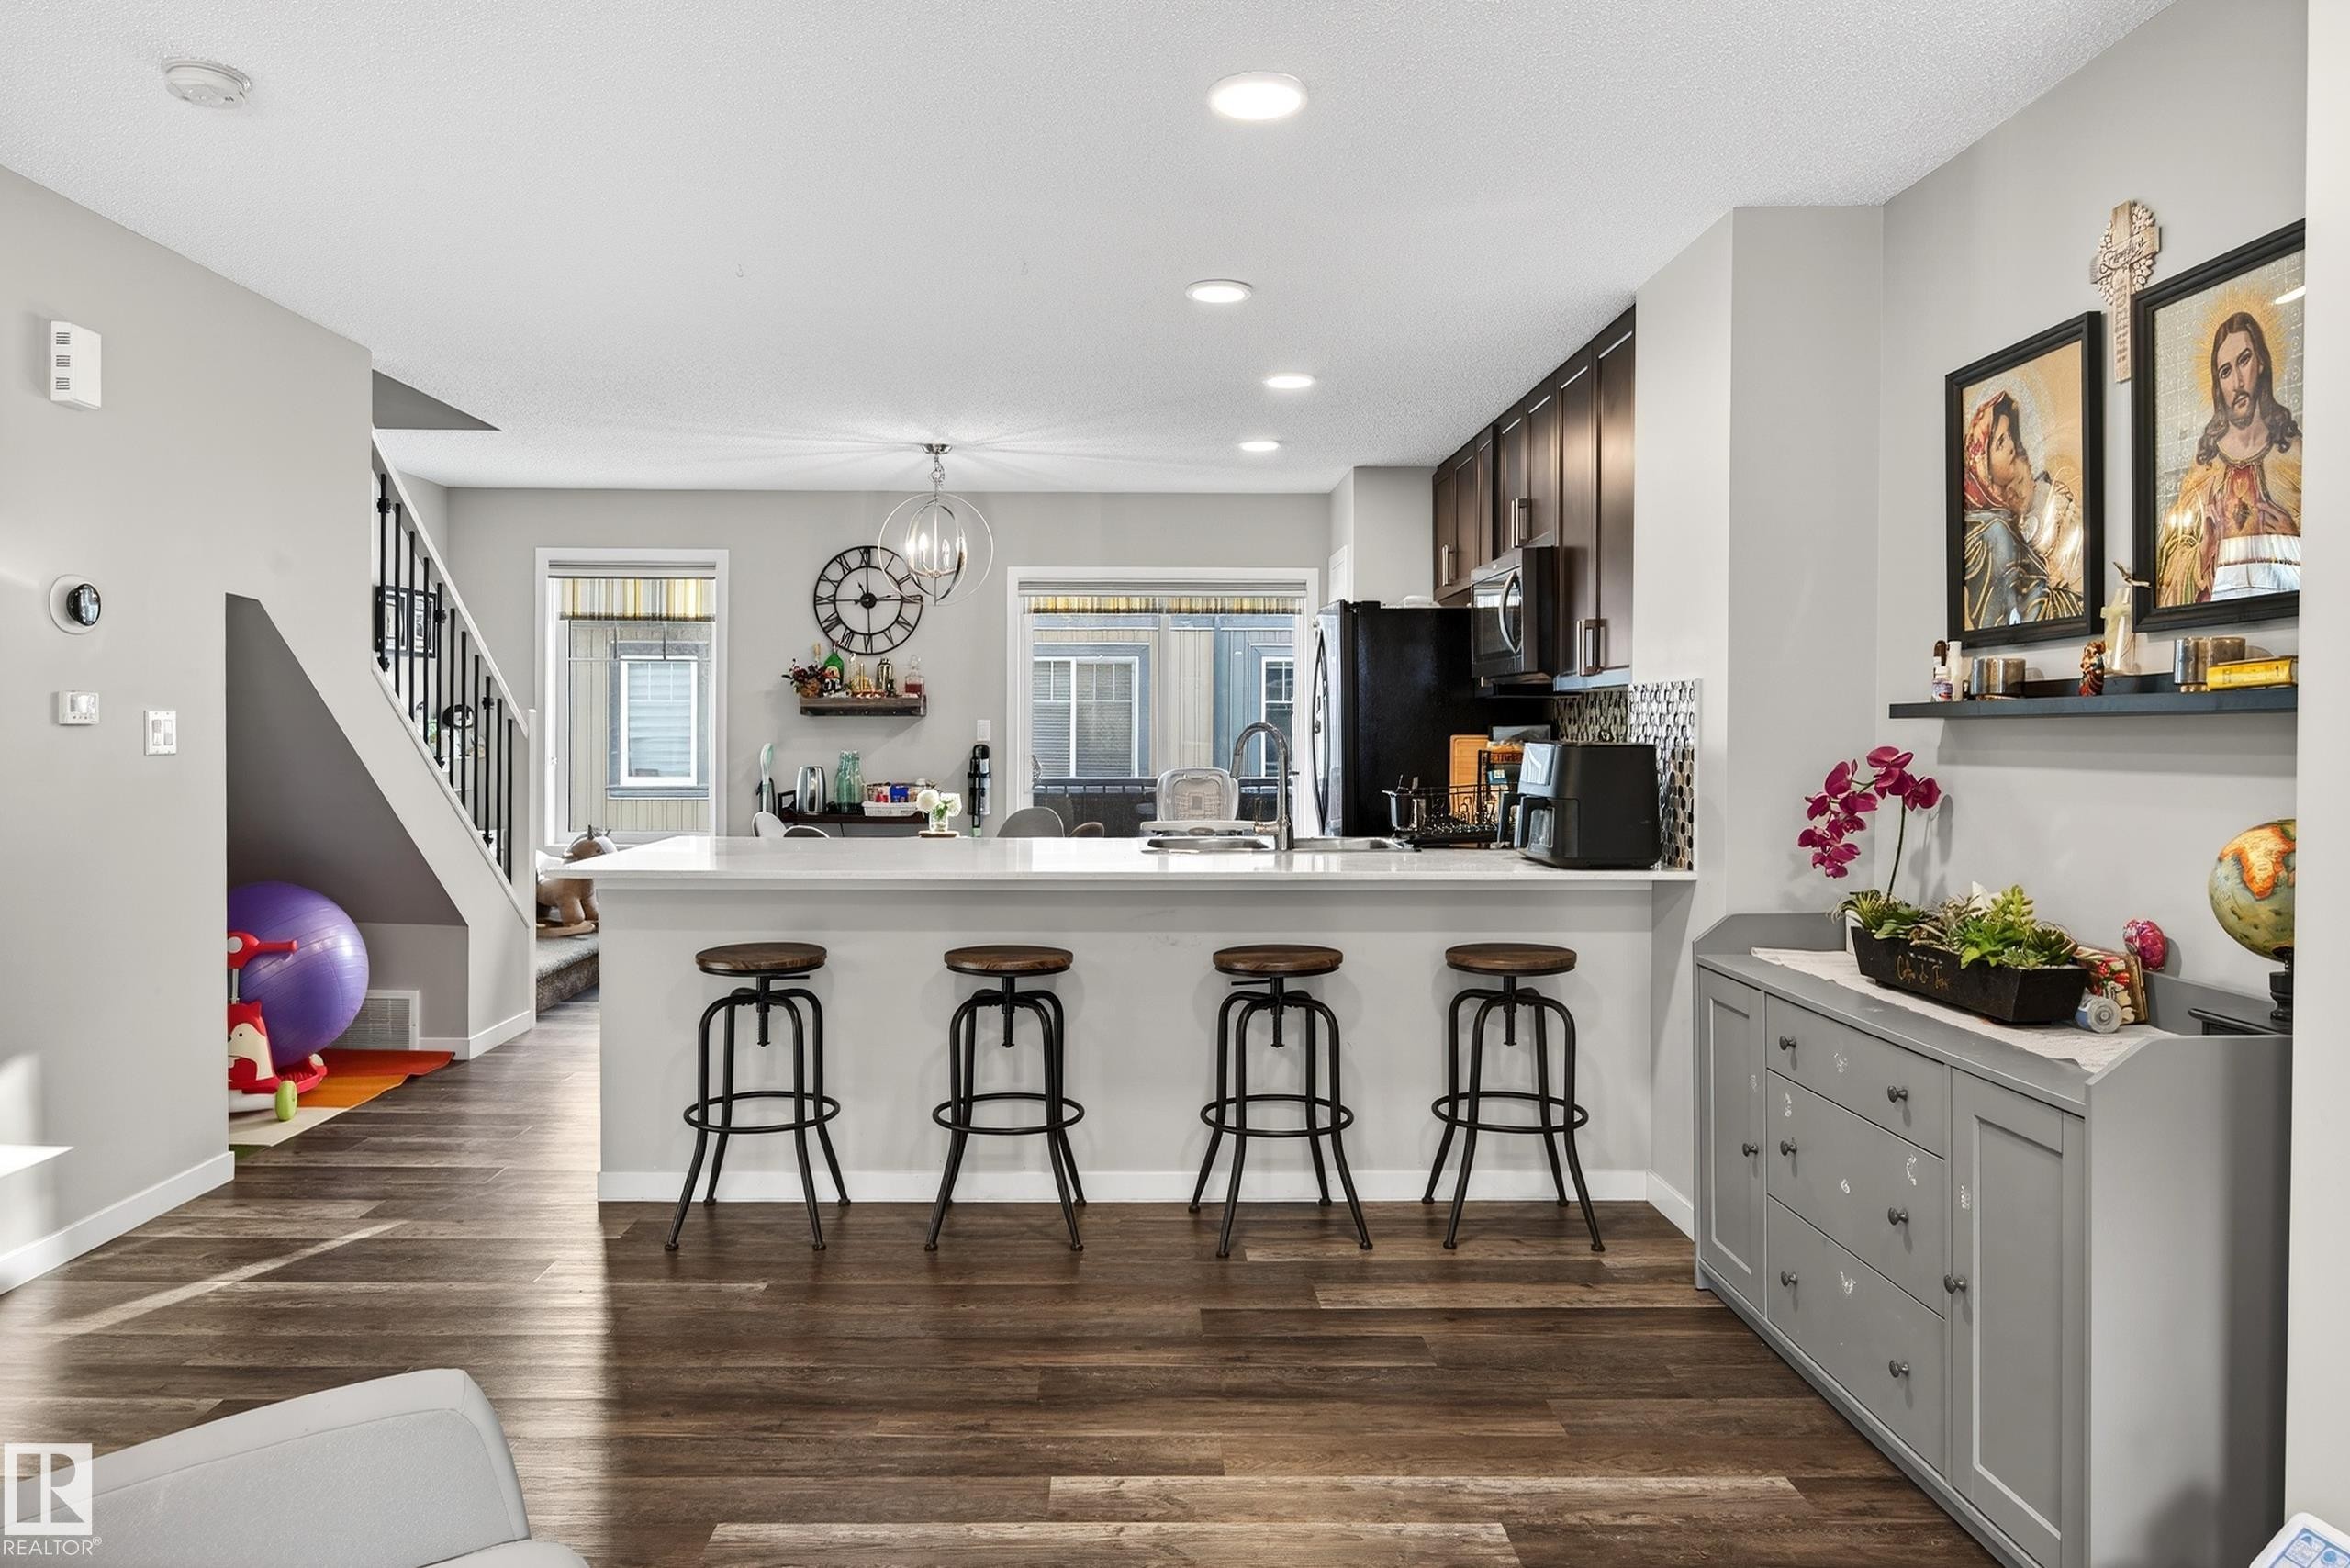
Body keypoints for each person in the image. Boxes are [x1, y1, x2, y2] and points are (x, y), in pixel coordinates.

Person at [2163, 310, 2303, 603]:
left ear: (2261, 362)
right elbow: (2168, 576)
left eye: (2244, 360)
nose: (2237, 382)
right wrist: (2204, 550)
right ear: (2218, 384)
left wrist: (2294, 540)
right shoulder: (2205, 468)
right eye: (2225, 372)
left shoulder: (2296, 456)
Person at [1961, 391, 2082, 629]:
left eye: (2009, 436)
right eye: (2000, 442)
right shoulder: (1994, 529)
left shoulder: (2011, 517)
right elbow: (2021, 614)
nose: (2010, 447)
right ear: (1983, 461)